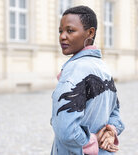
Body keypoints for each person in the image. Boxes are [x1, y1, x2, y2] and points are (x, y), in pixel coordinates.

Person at [50, 5, 124, 155]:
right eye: (60, 31)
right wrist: (111, 131)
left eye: (70, 30)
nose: (62, 36)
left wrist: (92, 141)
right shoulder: (103, 67)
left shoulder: (74, 69)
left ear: (90, 32)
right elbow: (115, 112)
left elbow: (66, 130)